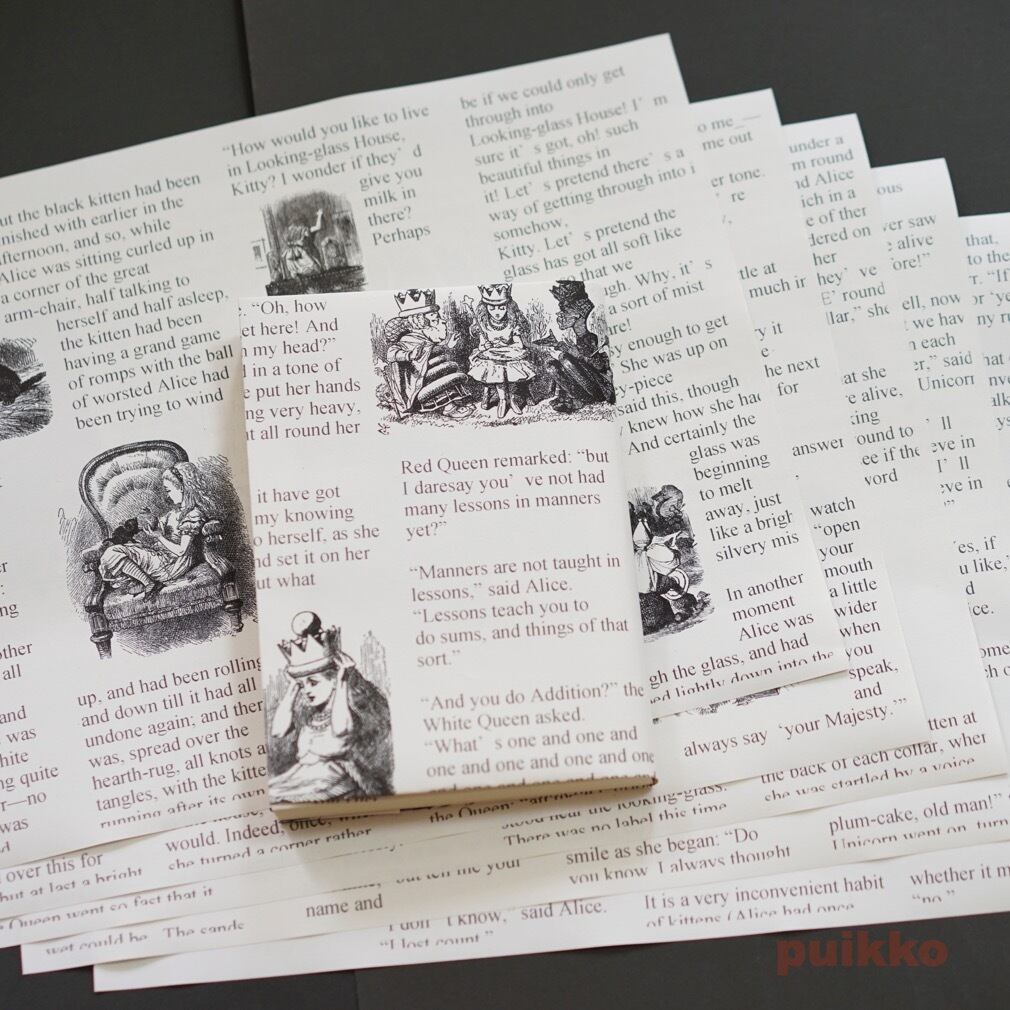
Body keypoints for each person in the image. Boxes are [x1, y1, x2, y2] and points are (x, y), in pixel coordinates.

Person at [270, 612, 393, 803]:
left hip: (333, 783)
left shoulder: (345, 712)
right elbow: (278, 731)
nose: (307, 690)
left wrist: (342, 680)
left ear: (334, 680)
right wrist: (294, 685)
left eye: (313, 683)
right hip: (300, 780)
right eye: (303, 685)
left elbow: (341, 730)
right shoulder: (311, 717)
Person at [98, 462, 212, 601]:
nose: (168, 496)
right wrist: (148, 518)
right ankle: (144, 582)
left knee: (112, 553)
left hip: (173, 563)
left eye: (168, 490)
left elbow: (182, 551)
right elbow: (156, 526)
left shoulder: (193, 514)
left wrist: (159, 537)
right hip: (160, 556)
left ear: (182, 488)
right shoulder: (172, 514)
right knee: (113, 553)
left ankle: (148, 583)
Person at [383, 289, 473, 419]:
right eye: (435, 320)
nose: (442, 321)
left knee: (445, 375)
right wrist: (409, 355)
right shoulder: (408, 340)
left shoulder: (425, 339)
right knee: (440, 383)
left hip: (433, 375)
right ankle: (449, 408)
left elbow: (433, 350)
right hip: (420, 382)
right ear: (420, 322)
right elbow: (391, 353)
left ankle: (453, 402)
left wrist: (447, 346)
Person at [543, 279, 616, 412]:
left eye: (565, 311)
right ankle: (576, 397)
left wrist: (575, 354)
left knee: (565, 359)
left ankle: (579, 400)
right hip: (591, 384)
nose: (559, 314)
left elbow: (601, 365)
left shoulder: (592, 333)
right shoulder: (576, 334)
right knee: (552, 366)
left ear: (577, 314)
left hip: (603, 389)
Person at [466, 283, 538, 419]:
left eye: (502, 308)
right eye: (492, 308)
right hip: (490, 357)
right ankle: (502, 400)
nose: (497, 312)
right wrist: (485, 346)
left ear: (508, 307)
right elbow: (481, 346)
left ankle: (512, 398)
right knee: (497, 368)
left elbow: (518, 344)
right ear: (485, 308)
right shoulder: (483, 324)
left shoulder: (512, 323)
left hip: (509, 354)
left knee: (511, 368)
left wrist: (506, 346)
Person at [281, 208, 325, 278]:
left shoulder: (291, 231)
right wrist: (320, 215)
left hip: (296, 257)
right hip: (301, 256)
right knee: (315, 269)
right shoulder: (303, 230)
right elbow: (318, 227)